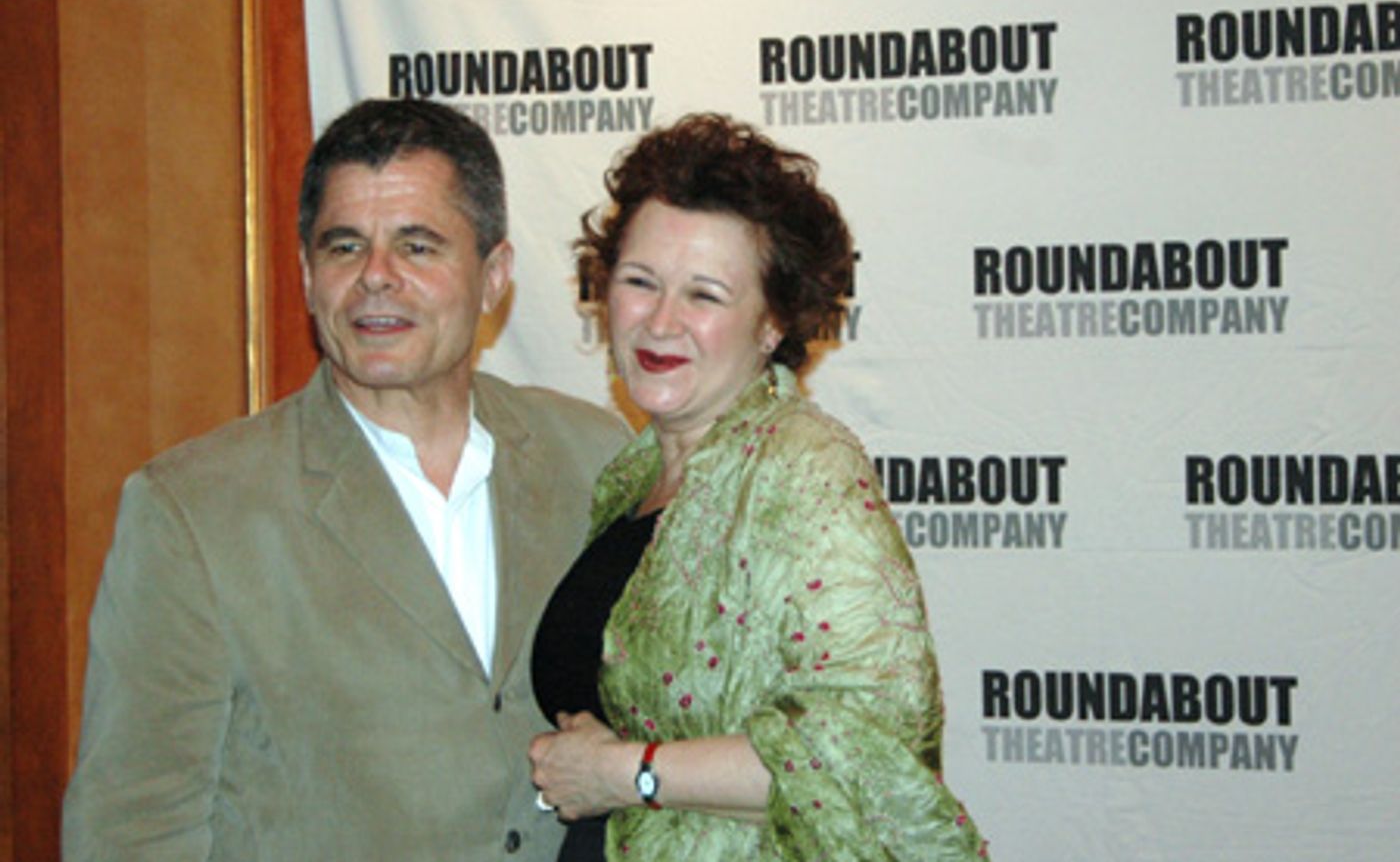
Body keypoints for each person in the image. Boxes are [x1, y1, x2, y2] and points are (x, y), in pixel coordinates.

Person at [62, 98, 631, 861]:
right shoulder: (193, 511)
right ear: (307, 277)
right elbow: (131, 829)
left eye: (417, 246)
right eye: (344, 246)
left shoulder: (594, 457)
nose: (375, 278)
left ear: (494, 276)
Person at [527, 113, 988, 860]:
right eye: (640, 282)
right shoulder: (631, 476)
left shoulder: (804, 467)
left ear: (772, 322)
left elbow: (869, 750)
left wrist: (625, 772)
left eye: (705, 295)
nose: (661, 321)